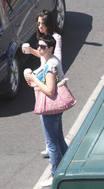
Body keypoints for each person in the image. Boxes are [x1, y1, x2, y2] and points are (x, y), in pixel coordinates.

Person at [24, 35, 69, 187]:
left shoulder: (51, 66)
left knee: (52, 143)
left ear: (50, 48)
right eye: (39, 46)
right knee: (58, 138)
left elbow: (50, 91)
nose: (39, 49)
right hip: (54, 107)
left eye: (43, 47)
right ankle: (68, 164)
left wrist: (33, 79)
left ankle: (55, 174)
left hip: (49, 107)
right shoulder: (51, 61)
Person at [26, 10, 62, 159]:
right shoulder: (43, 40)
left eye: (43, 24)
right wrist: (31, 51)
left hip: (48, 80)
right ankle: (52, 145)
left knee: (48, 118)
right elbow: (43, 57)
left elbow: (53, 60)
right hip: (42, 79)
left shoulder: (54, 39)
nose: (40, 26)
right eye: (39, 23)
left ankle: (53, 163)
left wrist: (35, 77)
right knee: (53, 125)